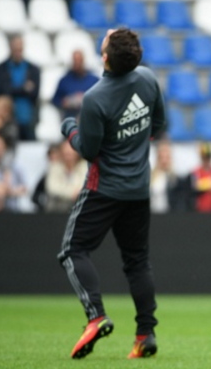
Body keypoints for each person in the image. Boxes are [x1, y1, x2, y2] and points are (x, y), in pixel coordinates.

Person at [57, 29, 166, 360]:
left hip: (103, 188)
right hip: (138, 188)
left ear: (104, 57)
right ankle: (145, 334)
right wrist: (131, 145)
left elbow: (88, 150)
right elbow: (158, 126)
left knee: (73, 250)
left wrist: (69, 129)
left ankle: (96, 316)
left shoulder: (95, 97)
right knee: (137, 262)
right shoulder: (147, 80)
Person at [0, 34, 40, 141]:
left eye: (20, 48)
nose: (18, 51)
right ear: (10, 48)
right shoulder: (0, 69)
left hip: (28, 120)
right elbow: (1, 91)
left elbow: (35, 93)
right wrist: (24, 89)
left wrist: (12, 90)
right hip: (7, 121)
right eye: (15, 48)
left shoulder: (33, 69)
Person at [52, 50, 98, 119]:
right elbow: (55, 100)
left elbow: (102, 99)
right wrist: (65, 102)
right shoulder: (65, 80)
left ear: (83, 61)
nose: (77, 63)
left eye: (79, 60)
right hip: (70, 118)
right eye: (75, 60)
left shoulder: (94, 80)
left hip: (90, 118)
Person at [44, 139, 87, 212]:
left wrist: (78, 192)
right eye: (65, 149)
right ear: (61, 151)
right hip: (56, 210)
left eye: (71, 148)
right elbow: (52, 188)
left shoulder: (84, 166)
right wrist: (72, 193)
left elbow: (84, 186)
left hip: (79, 208)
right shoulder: (55, 167)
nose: (68, 152)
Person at [150, 139, 179, 213]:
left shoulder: (175, 179)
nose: (164, 161)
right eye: (162, 157)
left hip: (169, 217)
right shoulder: (150, 177)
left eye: (167, 157)